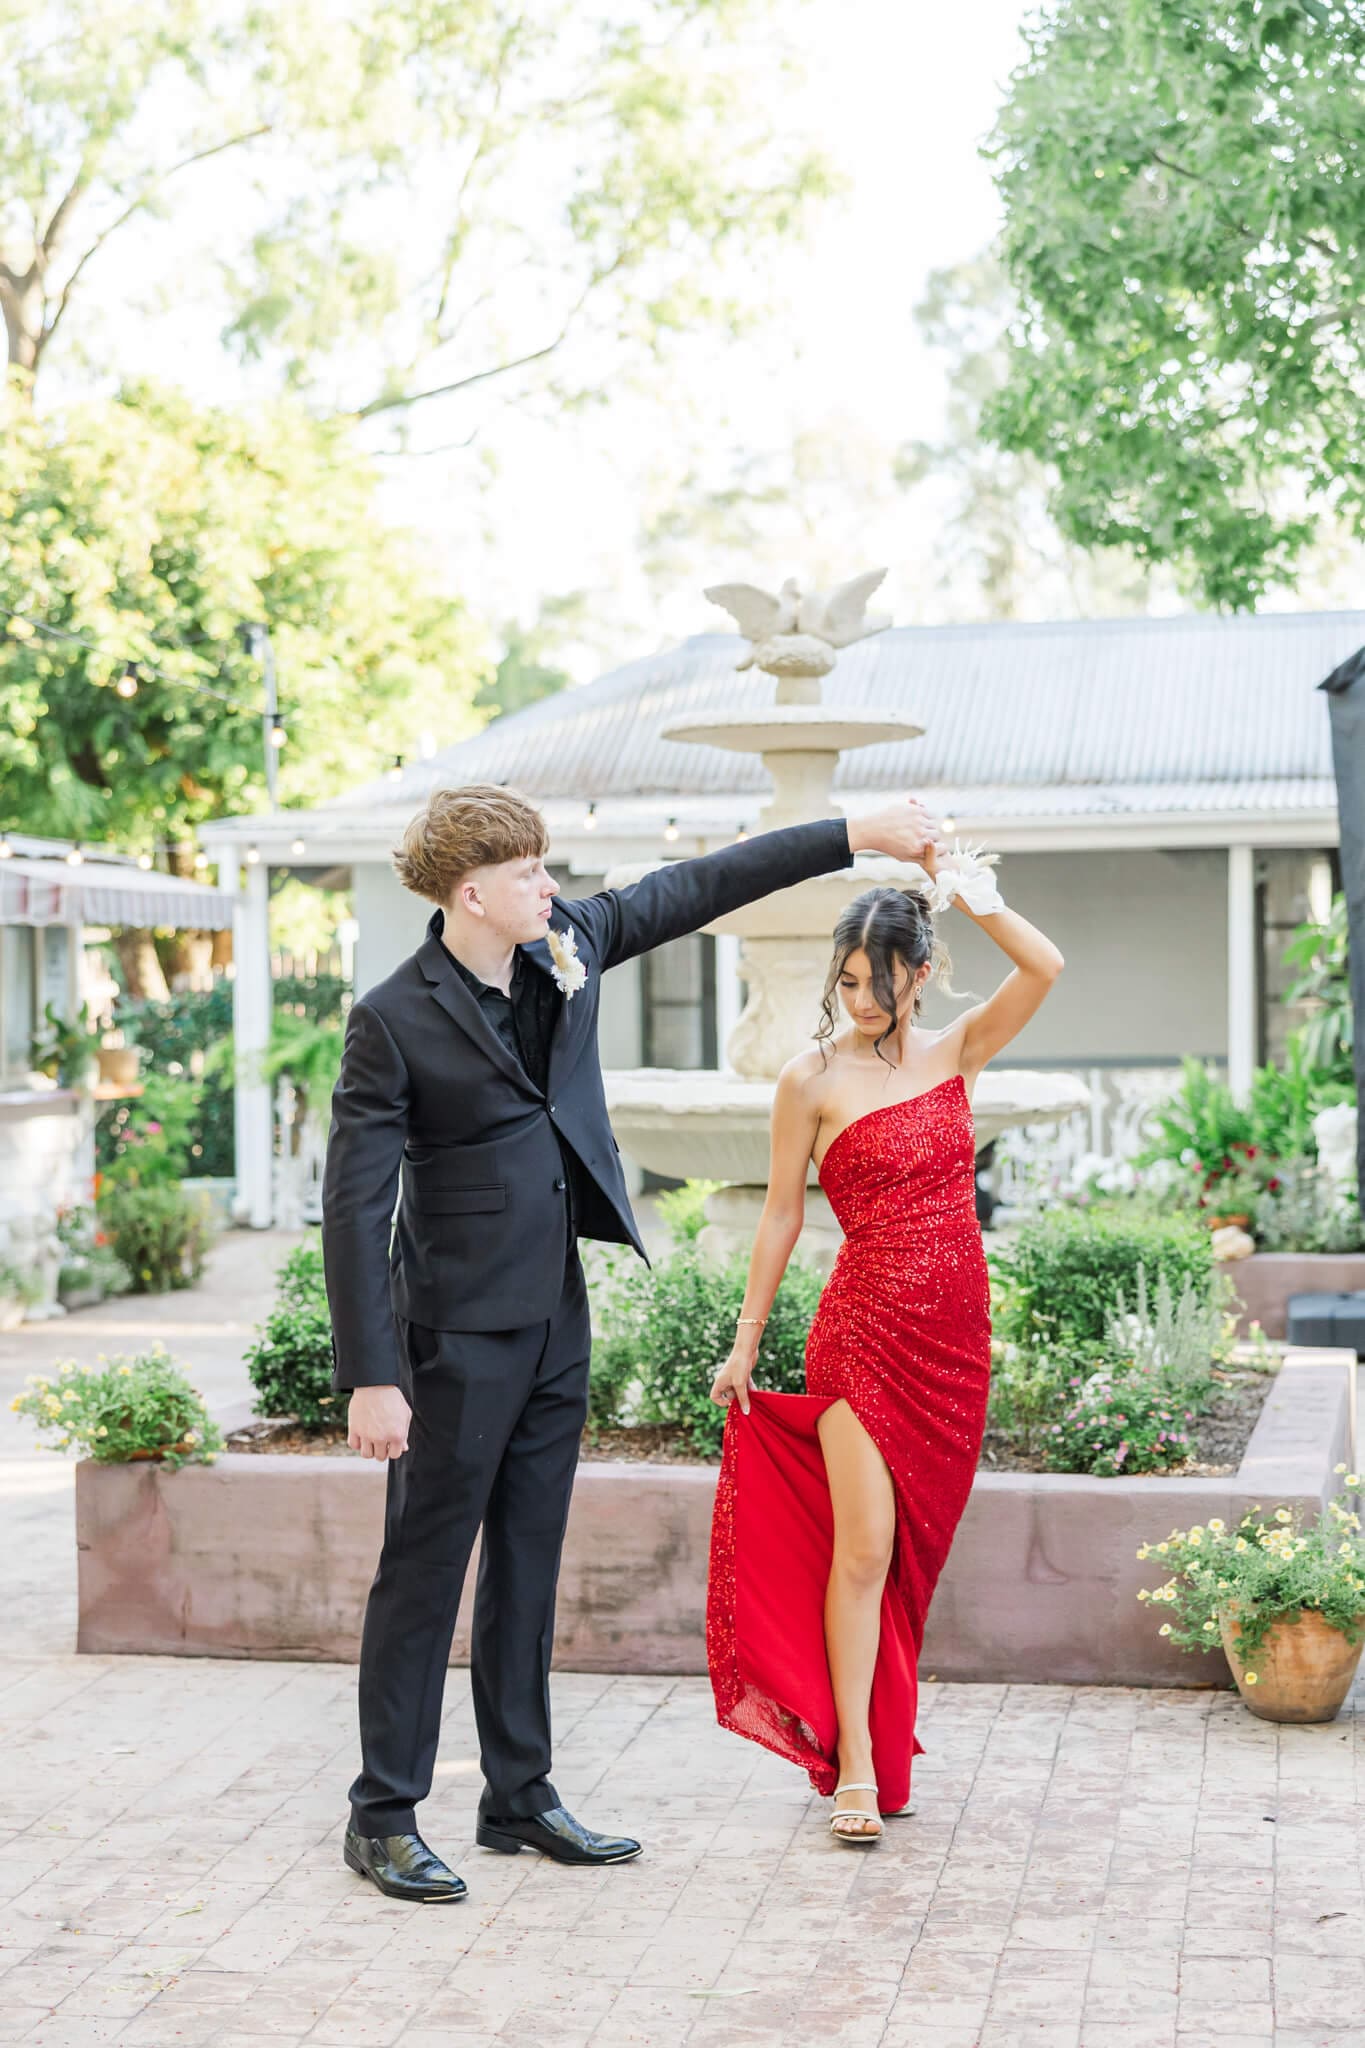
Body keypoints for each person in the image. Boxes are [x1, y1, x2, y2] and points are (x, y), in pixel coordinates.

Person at [322, 780, 942, 1901]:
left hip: (557, 1309)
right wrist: (372, 1373)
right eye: (528, 874)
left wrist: (852, 832)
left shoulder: (570, 942)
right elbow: (354, 1206)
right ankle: (382, 1812)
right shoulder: (393, 1017)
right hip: (449, 1333)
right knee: (423, 1569)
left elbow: (703, 885)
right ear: (472, 891)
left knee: (527, 1558)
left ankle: (518, 1793)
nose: (550, 887)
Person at [706, 838, 1064, 1842]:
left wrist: (978, 896)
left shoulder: (959, 1050)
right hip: (861, 1334)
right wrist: (746, 1343)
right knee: (861, 1549)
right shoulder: (808, 1078)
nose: (862, 997)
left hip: (956, 1340)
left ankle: (882, 1732)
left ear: (921, 970)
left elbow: (1046, 967)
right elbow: (780, 1216)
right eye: (848, 979)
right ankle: (856, 1763)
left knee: (913, 1554)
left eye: (879, 979)